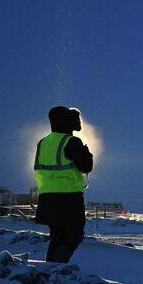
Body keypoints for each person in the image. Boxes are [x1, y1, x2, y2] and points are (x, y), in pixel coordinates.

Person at [34, 106, 93, 263]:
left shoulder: (43, 143)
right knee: (74, 236)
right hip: (69, 197)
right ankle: (56, 268)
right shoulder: (71, 141)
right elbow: (86, 166)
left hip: (47, 197)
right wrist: (87, 154)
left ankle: (49, 273)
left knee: (57, 237)